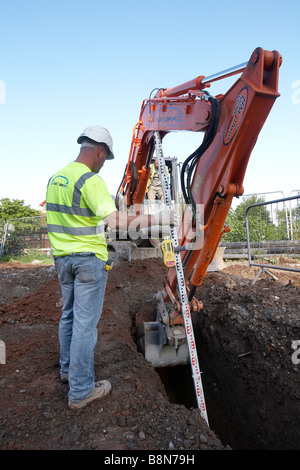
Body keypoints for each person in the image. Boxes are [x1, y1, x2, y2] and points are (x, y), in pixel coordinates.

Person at [46, 125, 175, 410]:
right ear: (100, 151)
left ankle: (68, 371)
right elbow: (115, 222)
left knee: (68, 317)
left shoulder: (56, 179)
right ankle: (80, 391)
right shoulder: (89, 181)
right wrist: (158, 220)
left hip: (62, 260)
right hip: (87, 262)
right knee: (84, 325)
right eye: (105, 158)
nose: (104, 163)